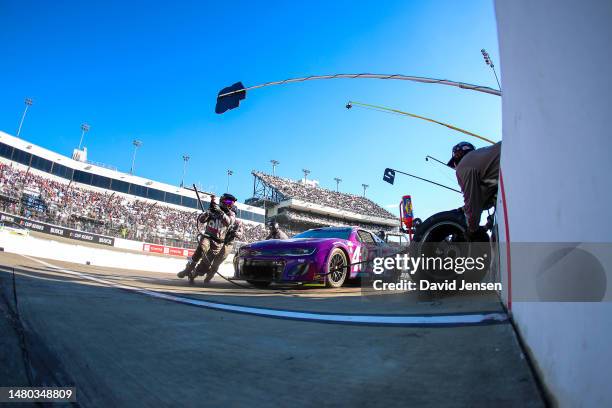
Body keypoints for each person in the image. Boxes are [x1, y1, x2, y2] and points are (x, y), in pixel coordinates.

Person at [177, 193, 238, 284]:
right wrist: (207, 213)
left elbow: (228, 222)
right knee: (202, 249)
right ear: (222, 201)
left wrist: (220, 212)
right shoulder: (212, 209)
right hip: (208, 236)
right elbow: (201, 220)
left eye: (232, 203)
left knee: (205, 264)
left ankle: (194, 274)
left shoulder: (231, 213)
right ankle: (188, 269)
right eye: (228, 201)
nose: (230, 204)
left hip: (218, 242)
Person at [447, 141, 502, 240]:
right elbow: (484, 199)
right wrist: (487, 225)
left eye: (454, 163)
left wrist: (472, 231)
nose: (455, 167)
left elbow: (473, 201)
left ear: (459, 155)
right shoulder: (484, 163)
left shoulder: (463, 166)